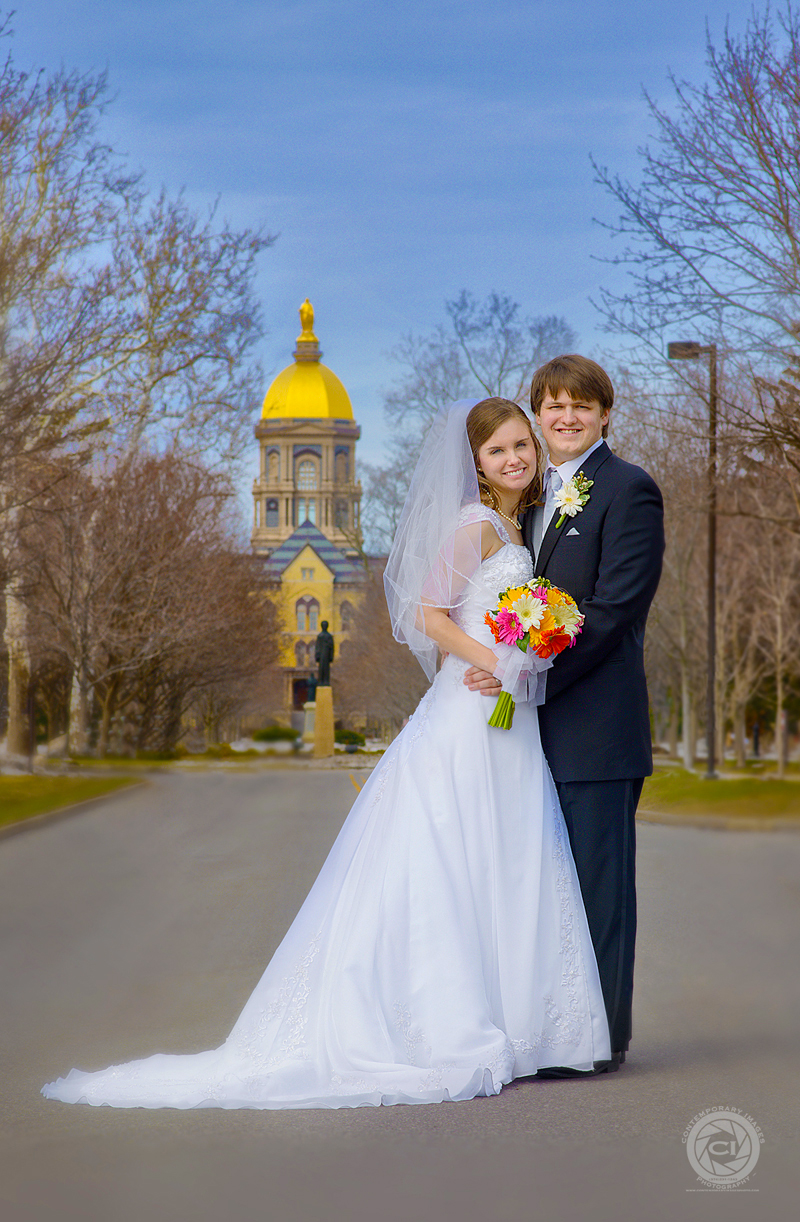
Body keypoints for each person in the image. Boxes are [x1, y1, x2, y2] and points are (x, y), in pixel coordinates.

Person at [42, 397, 610, 1111]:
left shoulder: (512, 523)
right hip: (477, 709)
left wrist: (520, 653)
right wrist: (500, 657)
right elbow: (428, 614)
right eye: (499, 450)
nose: (517, 457)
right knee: (462, 856)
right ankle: (447, 1019)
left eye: (522, 444)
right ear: (476, 464)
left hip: (504, 713)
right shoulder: (473, 527)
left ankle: (522, 1022)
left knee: (506, 857)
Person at [466, 357, 665, 1074]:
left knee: (598, 886)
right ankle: (555, 1031)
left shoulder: (628, 490)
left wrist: (528, 677)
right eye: (552, 407)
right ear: (537, 414)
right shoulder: (537, 495)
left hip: (596, 731)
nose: (565, 417)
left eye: (581, 406)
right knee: (546, 887)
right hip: (531, 735)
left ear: (606, 413)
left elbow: (614, 613)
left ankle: (603, 1039)